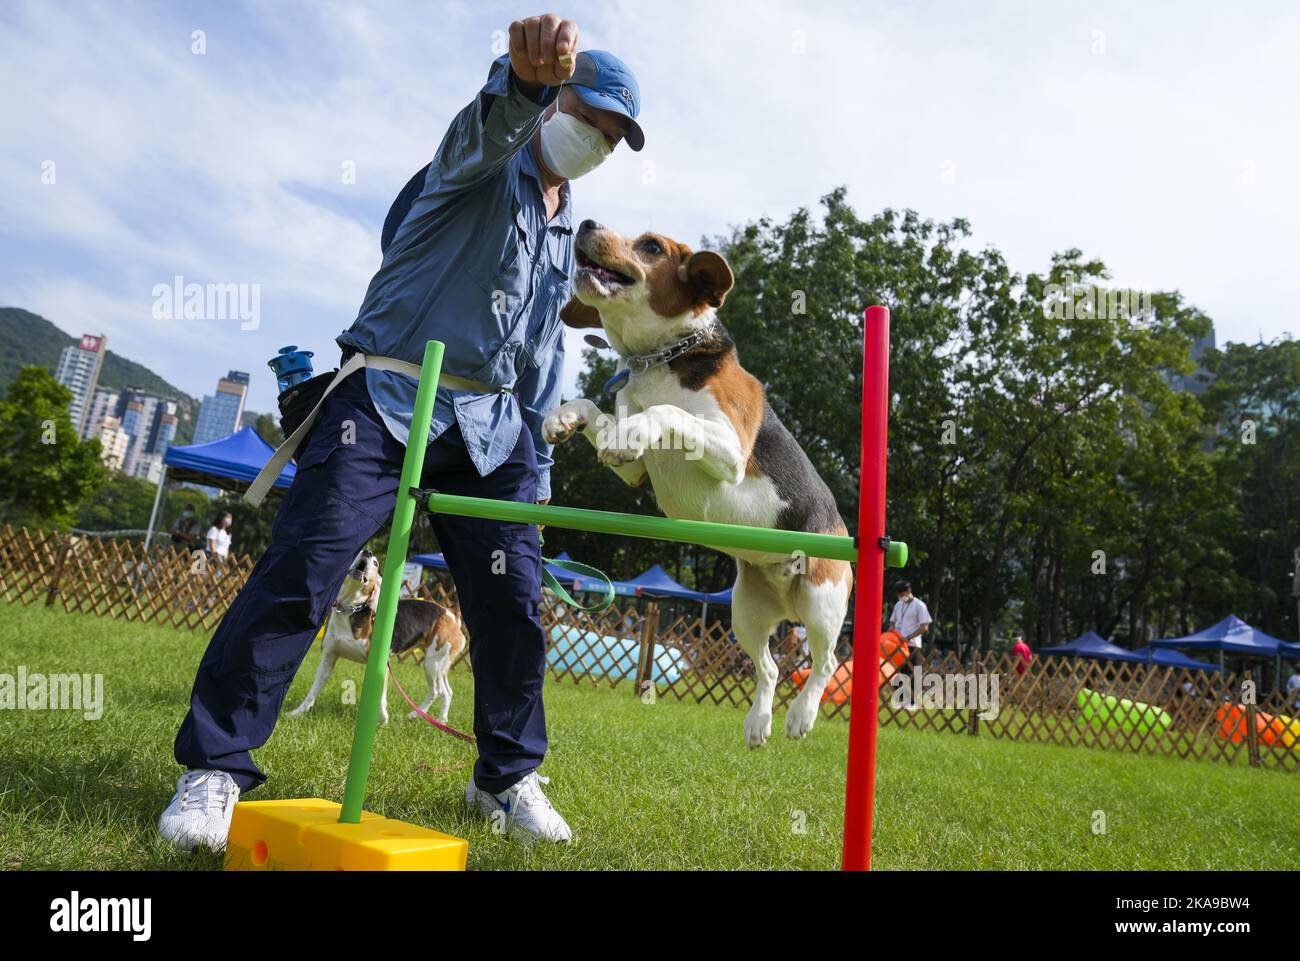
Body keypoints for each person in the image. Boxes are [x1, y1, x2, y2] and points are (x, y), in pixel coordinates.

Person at [158, 14, 644, 851]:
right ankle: (214, 768)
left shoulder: (572, 229)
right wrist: (519, 87)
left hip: (494, 428)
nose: (594, 139)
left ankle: (504, 776)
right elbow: (484, 129)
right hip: (387, 393)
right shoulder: (477, 163)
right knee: (305, 567)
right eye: (586, 115)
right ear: (554, 97)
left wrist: (537, 463)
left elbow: (537, 347)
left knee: (512, 603)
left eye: (610, 135)